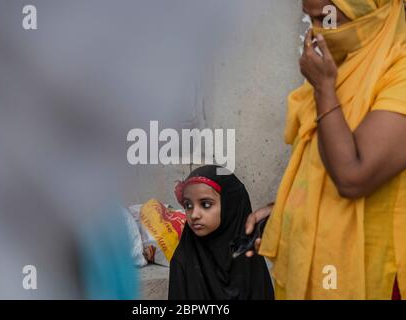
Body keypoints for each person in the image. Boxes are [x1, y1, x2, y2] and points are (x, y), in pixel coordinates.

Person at [246, 0, 406, 299]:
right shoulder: (342, 65)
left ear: (368, 10)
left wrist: (324, 89)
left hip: (377, 277)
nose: (317, 34)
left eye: (326, 19)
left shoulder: (398, 73)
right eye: (311, 21)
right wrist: (283, 209)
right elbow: (319, 167)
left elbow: (352, 176)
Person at [168, 165, 274, 300]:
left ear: (230, 206)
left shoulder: (248, 257)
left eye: (206, 204)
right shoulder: (183, 260)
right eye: (188, 205)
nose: (194, 215)